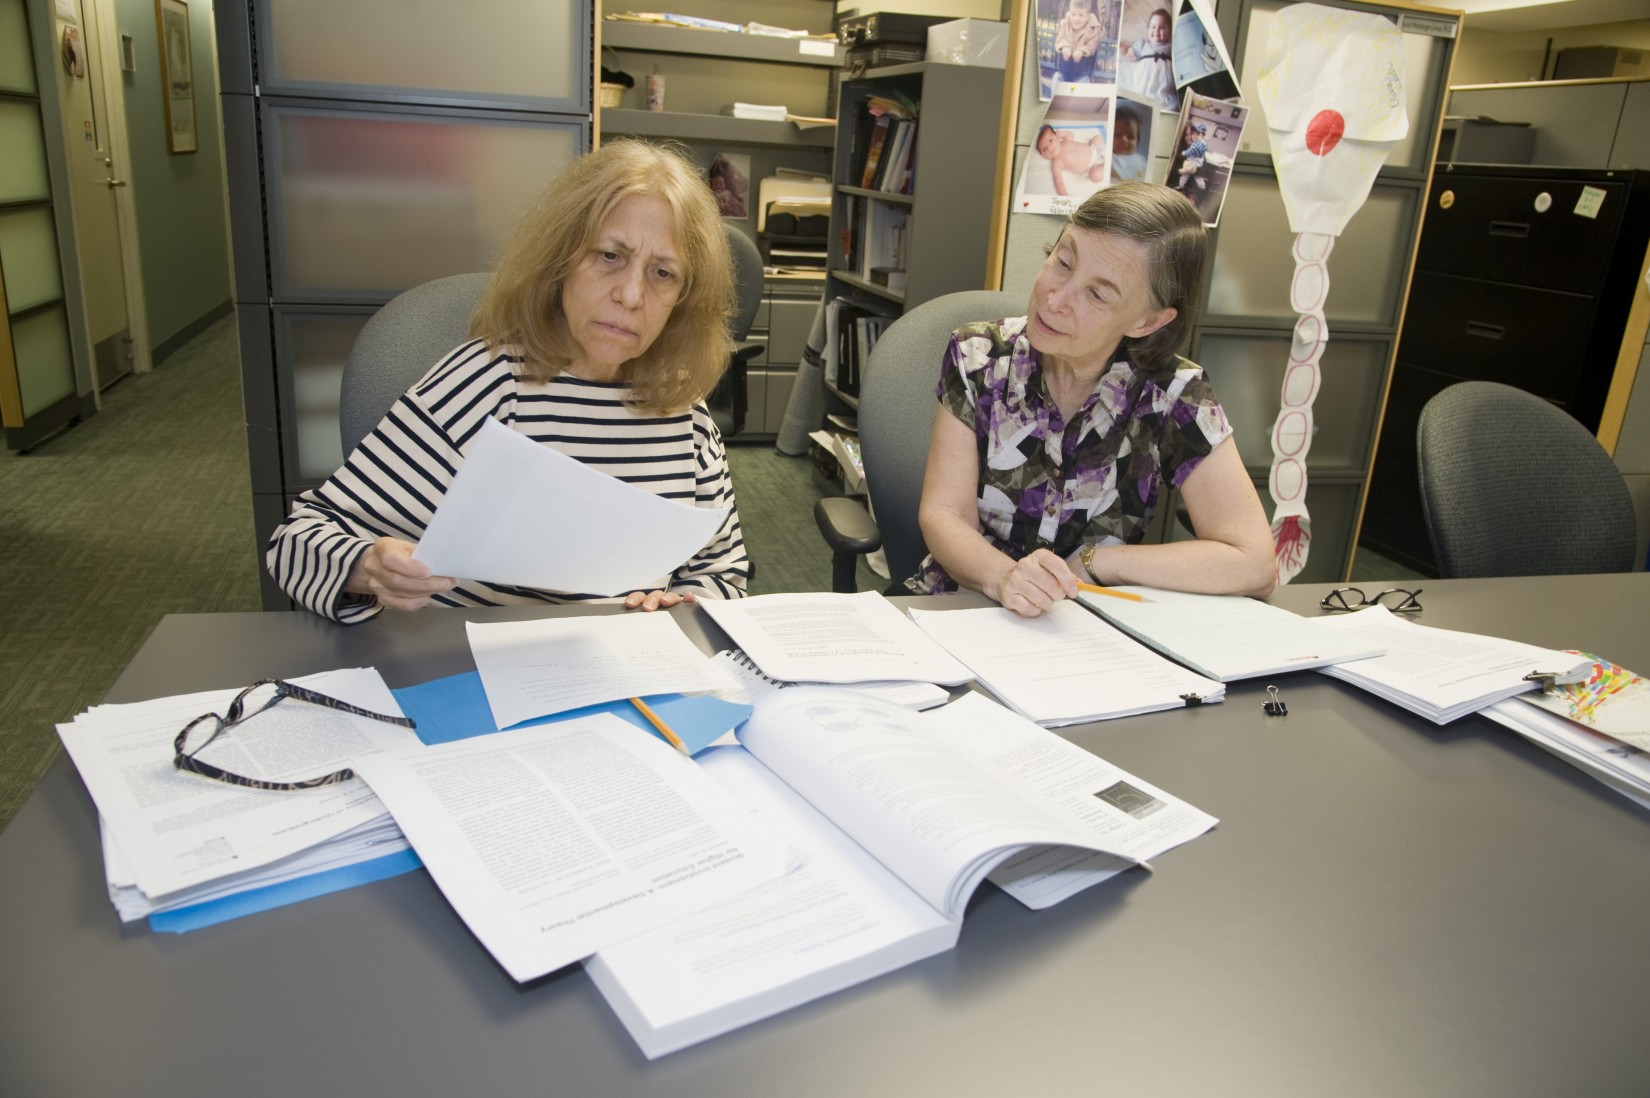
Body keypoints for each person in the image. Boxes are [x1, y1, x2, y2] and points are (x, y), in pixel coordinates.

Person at [267, 140, 750, 623]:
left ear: (683, 299)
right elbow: (297, 541)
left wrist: (684, 605)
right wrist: (368, 568)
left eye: (662, 273)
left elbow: (722, 573)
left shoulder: (682, 408)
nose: (629, 294)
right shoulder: (489, 381)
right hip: (476, 673)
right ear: (561, 260)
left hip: (622, 681)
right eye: (609, 256)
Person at [910, 182, 1275, 617]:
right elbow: (944, 512)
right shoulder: (977, 356)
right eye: (1063, 262)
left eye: (1098, 294)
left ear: (1147, 320)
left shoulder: (1174, 392)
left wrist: (1095, 563)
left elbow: (1253, 561)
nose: (1055, 298)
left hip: (1088, 625)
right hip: (966, 605)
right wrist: (1005, 577)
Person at [1121, 7, 1176, 112]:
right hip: (1144, 89)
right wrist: (1117, 47)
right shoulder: (1143, 45)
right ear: (1148, 30)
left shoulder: (1172, 47)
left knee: (1168, 106)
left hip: (1165, 93)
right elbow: (1128, 55)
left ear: (1169, 33)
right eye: (1153, 27)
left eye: (1162, 27)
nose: (1156, 30)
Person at [1035, 124, 1107, 198]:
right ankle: (1107, 166)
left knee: (1097, 137)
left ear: (1056, 136)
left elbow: (1070, 135)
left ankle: (1106, 159)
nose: (1049, 148)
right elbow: (1059, 182)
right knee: (1095, 176)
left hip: (1094, 149)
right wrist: (1065, 196)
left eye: (1050, 140)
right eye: (1044, 149)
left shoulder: (1064, 141)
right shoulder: (1056, 164)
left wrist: (1061, 134)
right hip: (1093, 166)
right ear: (1043, 156)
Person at [1054, 0, 1102, 84]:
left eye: (1081, 15)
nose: (1076, 18)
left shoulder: (1093, 29)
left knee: (1084, 82)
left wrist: (1082, 51)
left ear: (1087, 17)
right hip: (1064, 69)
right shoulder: (1065, 24)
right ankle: (1056, 96)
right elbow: (1060, 39)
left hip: (1082, 72)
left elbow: (1092, 46)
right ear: (1069, 13)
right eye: (1073, 14)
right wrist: (1065, 46)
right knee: (1056, 78)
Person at [1109, 107, 1148, 182]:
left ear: (1137, 141)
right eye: (1117, 135)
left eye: (1130, 137)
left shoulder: (1142, 160)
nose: (1124, 140)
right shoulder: (1108, 156)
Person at [1171, 122, 1208, 194]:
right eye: (1186, 135)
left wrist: (1194, 170)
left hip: (1193, 187)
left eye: (1192, 133)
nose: (1190, 137)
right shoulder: (1179, 151)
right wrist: (1182, 171)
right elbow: (1171, 170)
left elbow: (1205, 169)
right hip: (1178, 186)